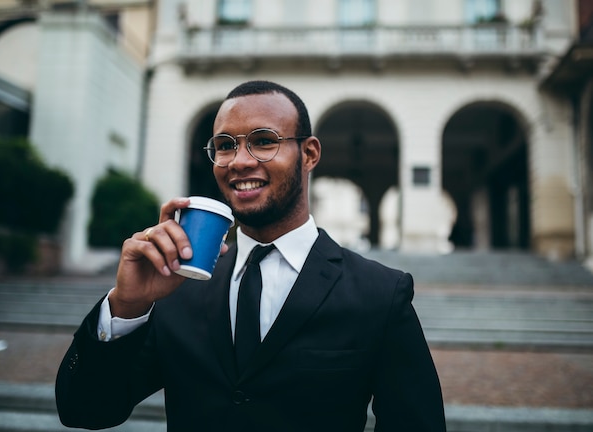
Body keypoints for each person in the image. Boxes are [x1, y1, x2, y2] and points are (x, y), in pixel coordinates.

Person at [56, 80, 446, 431]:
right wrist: (126, 305)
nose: (240, 161)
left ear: (309, 154)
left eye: (263, 141)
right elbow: (85, 410)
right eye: (225, 146)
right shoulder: (178, 286)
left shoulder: (380, 292)